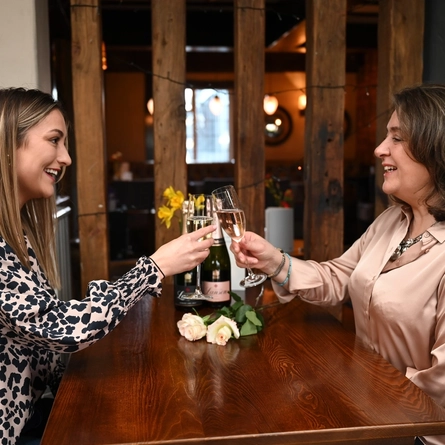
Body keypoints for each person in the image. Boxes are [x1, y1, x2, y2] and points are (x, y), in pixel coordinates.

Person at [231, 83, 445, 445]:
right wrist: (274, 261)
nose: (380, 149)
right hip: (363, 415)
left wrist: (365, 406)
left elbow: (440, 382)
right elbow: (340, 277)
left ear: (435, 150)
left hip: (411, 433)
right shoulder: (391, 222)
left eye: (396, 138)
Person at [0, 87, 215, 445]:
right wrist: (155, 266)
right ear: (7, 144)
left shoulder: (16, 232)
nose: (66, 158)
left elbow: (43, 340)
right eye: (55, 140)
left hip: (36, 415)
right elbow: (60, 328)